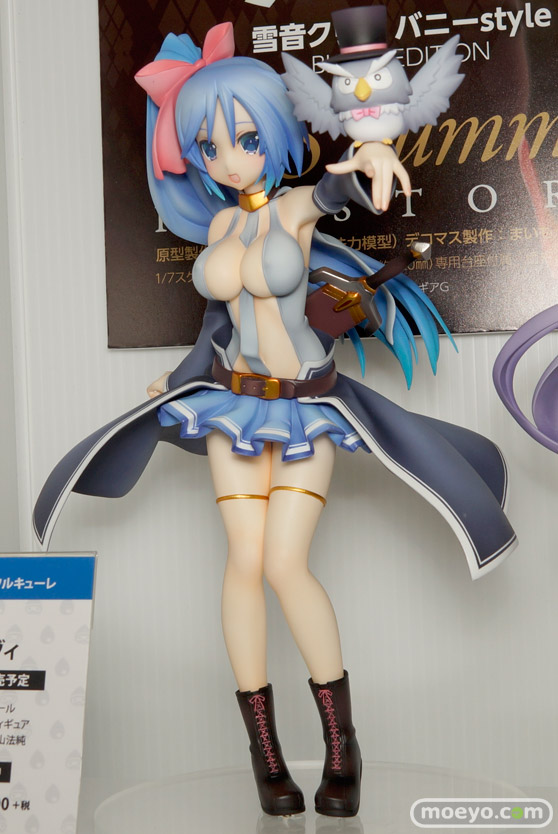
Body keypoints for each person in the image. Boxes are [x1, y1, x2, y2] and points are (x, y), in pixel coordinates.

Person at [33, 19, 517, 819]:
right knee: (244, 563)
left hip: (304, 410)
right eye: (211, 146)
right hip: (233, 405)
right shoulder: (220, 226)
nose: (231, 159)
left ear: (275, 133)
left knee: (287, 564)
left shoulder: (294, 209)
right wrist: (177, 382)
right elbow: (216, 327)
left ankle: (341, 746)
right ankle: (264, 752)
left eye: (247, 138)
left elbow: (338, 191)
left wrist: (370, 160)